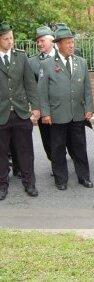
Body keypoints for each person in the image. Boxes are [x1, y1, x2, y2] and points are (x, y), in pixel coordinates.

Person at [38, 26, 94, 190]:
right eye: (67, 42)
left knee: (79, 147)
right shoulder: (47, 64)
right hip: (57, 114)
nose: (71, 45)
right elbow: (42, 92)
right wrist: (45, 113)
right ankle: (60, 179)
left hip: (77, 113)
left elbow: (87, 89)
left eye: (72, 42)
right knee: (58, 149)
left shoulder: (81, 62)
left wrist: (89, 107)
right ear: (58, 44)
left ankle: (84, 177)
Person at [0, 22, 40, 200]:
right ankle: (2, 185)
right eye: (6, 39)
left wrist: (36, 108)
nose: (10, 41)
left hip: (21, 112)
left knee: (26, 151)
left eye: (11, 38)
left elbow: (30, 84)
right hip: (1, 114)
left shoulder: (21, 57)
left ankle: (29, 183)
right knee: (1, 153)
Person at [28, 26, 56, 162]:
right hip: (43, 107)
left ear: (52, 41)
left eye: (42, 40)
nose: (39, 44)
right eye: (37, 41)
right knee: (47, 138)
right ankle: (54, 161)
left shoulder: (63, 56)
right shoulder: (31, 62)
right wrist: (35, 108)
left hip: (62, 106)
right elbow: (31, 86)